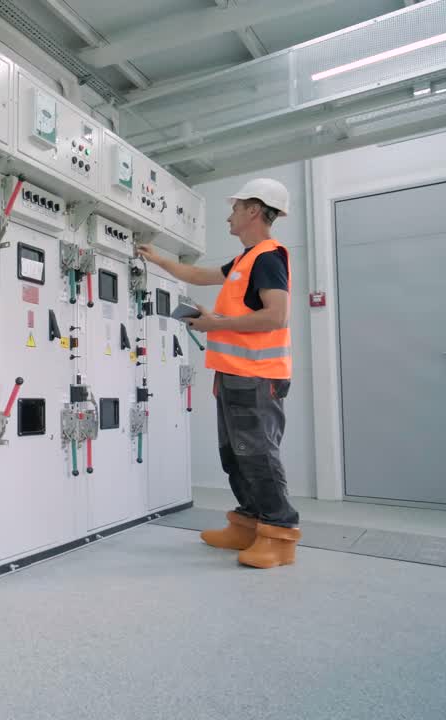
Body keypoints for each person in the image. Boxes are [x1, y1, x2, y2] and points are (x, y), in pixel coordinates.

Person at [136, 178, 300, 569]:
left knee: (257, 454)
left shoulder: (268, 257)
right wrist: (158, 259)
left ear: (254, 211)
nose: (229, 214)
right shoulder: (245, 259)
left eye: (236, 207)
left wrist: (215, 325)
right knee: (234, 455)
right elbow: (198, 276)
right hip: (233, 374)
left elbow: (276, 316)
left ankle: (279, 535)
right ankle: (247, 523)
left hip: (258, 376)